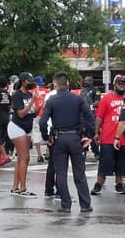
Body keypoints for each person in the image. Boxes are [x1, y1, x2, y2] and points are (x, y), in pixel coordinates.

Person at [38, 71, 95, 212]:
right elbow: (90, 117)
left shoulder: (51, 101)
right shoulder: (78, 99)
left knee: (61, 173)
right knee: (79, 173)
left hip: (59, 138)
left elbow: (42, 122)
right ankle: (85, 205)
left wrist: (47, 138)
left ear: (55, 85)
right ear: (67, 84)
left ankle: (66, 205)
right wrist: (89, 135)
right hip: (76, 138)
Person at [91, 75, 125, 197]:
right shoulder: (106, 98)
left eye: (123, 82)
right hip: (107, 137)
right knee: (104, 163)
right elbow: (99, 116)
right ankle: (98, 184)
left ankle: (119, 184)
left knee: (121, 163)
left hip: (123, 137)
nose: (121, 84)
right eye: (119, 82)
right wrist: (96, 132)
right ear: (114, 84)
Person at [8, 73, 37, 196]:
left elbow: (32, 113)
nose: (32, 83)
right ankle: (23, 188)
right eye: (30, 81)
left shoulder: (30, 95)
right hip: (17, 127)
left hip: (27, 127)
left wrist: (39, 106)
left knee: (21, 158)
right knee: (25, 157)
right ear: (24, 82)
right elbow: (20, 114)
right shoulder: (17, 95)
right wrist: (32, 102)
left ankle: (15, 187)